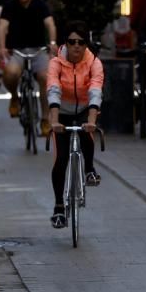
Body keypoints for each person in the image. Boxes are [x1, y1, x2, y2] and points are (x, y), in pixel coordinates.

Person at [46, 21, 103, 228]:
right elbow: (53, 88)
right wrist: (53, 120)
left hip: (84, 110)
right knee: (60, 160)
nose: (76, 46)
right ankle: (59, 207)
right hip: (61, 111)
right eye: (72, 42)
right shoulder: (56, 63)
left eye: (81, 42)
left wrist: (92, 121)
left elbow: (96, 89)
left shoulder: (94, 62)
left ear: (86, 44)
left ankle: (89, 168)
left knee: (87, 132)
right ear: (66, 44)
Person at [0, 0, 57, 136]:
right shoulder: (9, 6)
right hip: (17, 50)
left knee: (45, 78)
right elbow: (2, 26)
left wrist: (52, 42)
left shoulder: (40, 4)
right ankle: (15, 96)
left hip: (38, 50)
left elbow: (50, 24)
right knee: (10, 73)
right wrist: (2, 47)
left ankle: (45, 119)